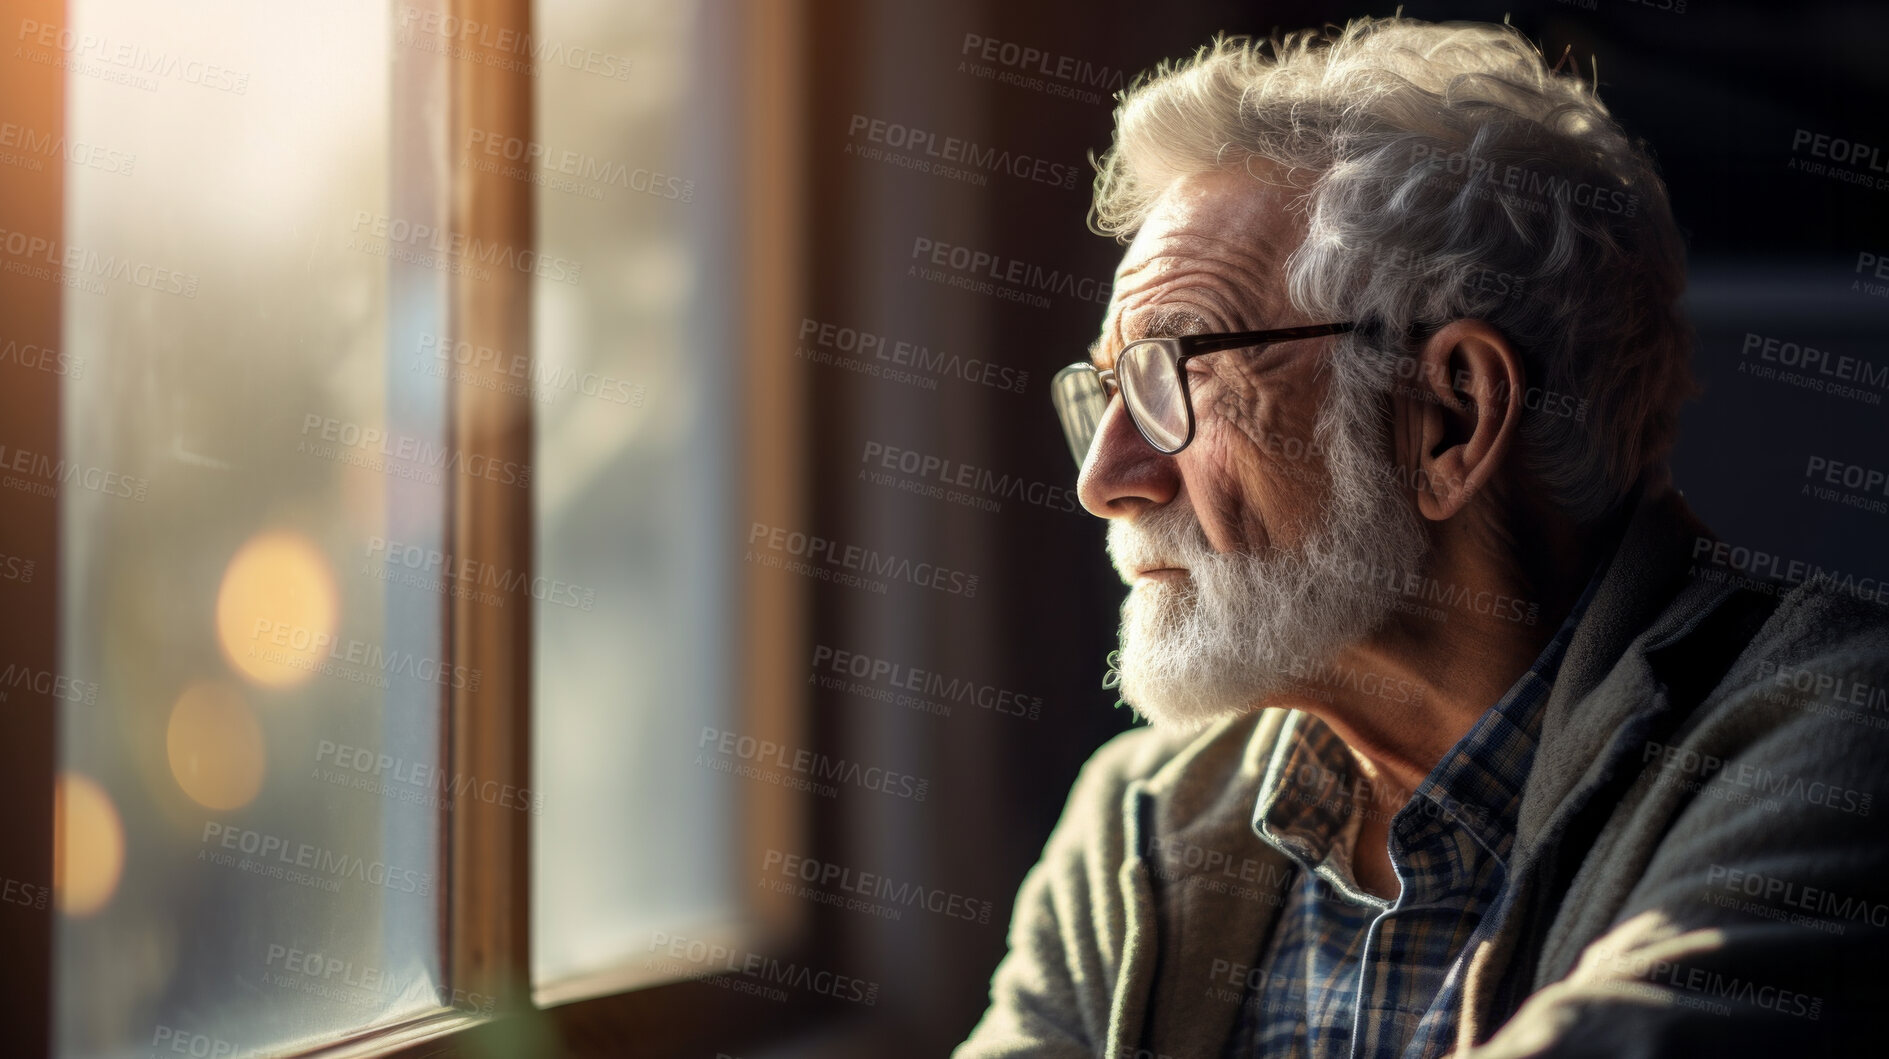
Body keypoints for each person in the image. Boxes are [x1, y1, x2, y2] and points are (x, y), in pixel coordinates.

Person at [957, 16, 1889, 1058]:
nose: (1104, 481)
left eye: (1178, 376)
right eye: (1109, 390)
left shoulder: (1838, 744)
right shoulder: (1138, 823)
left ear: (1448, 418)